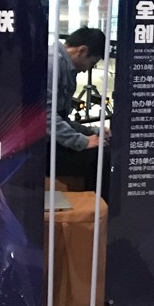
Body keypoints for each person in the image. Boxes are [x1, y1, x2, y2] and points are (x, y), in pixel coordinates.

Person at [52, 26, 110, 200]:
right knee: (101, 157)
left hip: (49, 137)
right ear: (82, 51)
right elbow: (44, 117)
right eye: (92, 63)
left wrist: (92, 131)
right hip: (39, 147)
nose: (88, 69)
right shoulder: (52, 65)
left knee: (103, 145)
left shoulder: (64, 65)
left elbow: (59, 117)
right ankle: (98, 209)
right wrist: (81, 141)